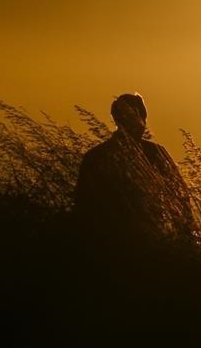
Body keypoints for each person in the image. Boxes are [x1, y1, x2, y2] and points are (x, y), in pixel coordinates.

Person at [73, 93, 193, 250]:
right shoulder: (154, 153)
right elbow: (181, 196)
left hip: (106, 244)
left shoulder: (96, 155)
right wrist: (187, 234)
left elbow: (81, 204)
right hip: (143, 243)